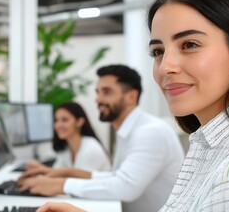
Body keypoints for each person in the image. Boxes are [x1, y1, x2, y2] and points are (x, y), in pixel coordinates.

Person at [34, 0, 229, 212]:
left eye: (190, 44)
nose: (165, 66)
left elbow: (125, 186)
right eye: (158, 51)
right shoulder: (211, 146)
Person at [18, 64, 185, 212]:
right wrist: (64, 173)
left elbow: (125, 187)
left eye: (106, 92)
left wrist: (61, 184)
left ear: (131, 97)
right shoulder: (128, 131)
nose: (98, 99)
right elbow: (117, 177)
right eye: (98, 92)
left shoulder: (150, 131)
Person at [24, 101, 111, 173]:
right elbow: (57, 173)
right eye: (56, 120)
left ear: (79, 122)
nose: (58, 125)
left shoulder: (91, 148)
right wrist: (40, 169)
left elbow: (78, 183)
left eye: (64, 120)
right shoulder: (66, 148)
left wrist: (42, 170)